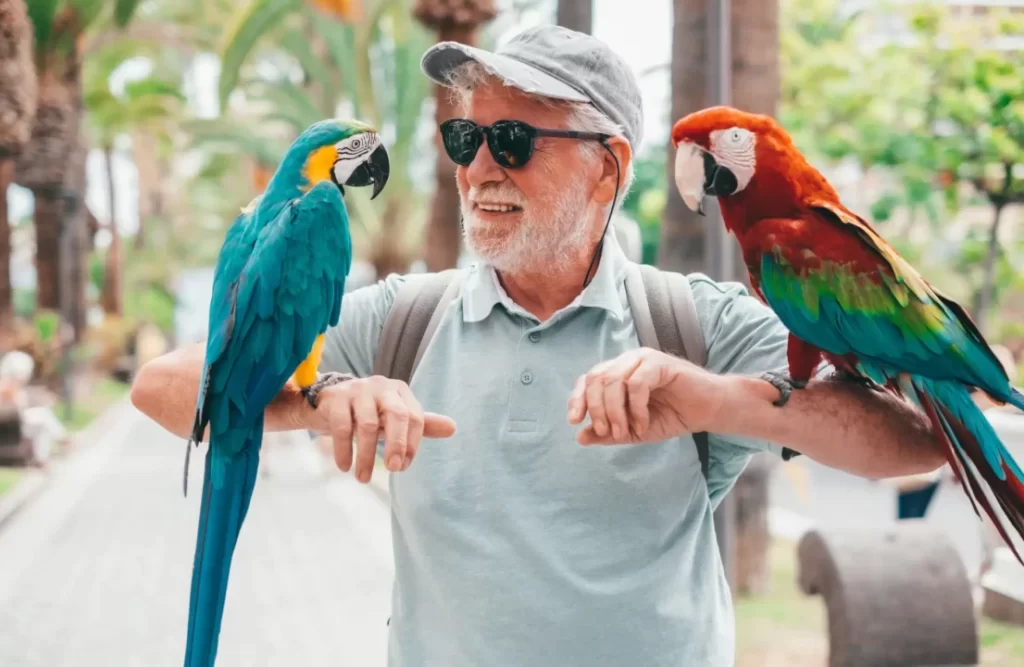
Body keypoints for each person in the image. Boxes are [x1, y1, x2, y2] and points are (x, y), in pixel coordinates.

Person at [131, 25, 945, 667]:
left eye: (513, 141)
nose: (480, 168)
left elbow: (921, 437)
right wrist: (322, 399)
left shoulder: (698, 326)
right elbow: (160, 387)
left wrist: (710, 398)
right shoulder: (398, 321)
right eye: (464, 140)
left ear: (606, 169)